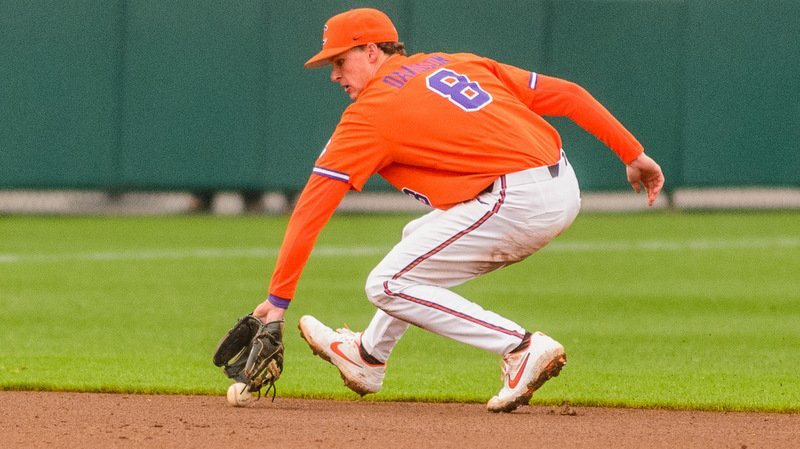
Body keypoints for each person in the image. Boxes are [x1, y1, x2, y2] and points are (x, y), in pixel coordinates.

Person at [247, 8, 664, 412]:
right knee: (415, 240)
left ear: (372, 51)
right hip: (560, 184)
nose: (335, 74)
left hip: (516, 199)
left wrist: (278, 300)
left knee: (386, 284)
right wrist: (633, 153)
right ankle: (368, 356)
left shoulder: (370, 114)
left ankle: (520, 347)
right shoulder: (454, 62)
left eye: (340, 60)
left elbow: (312, 208)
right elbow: (568, 95)